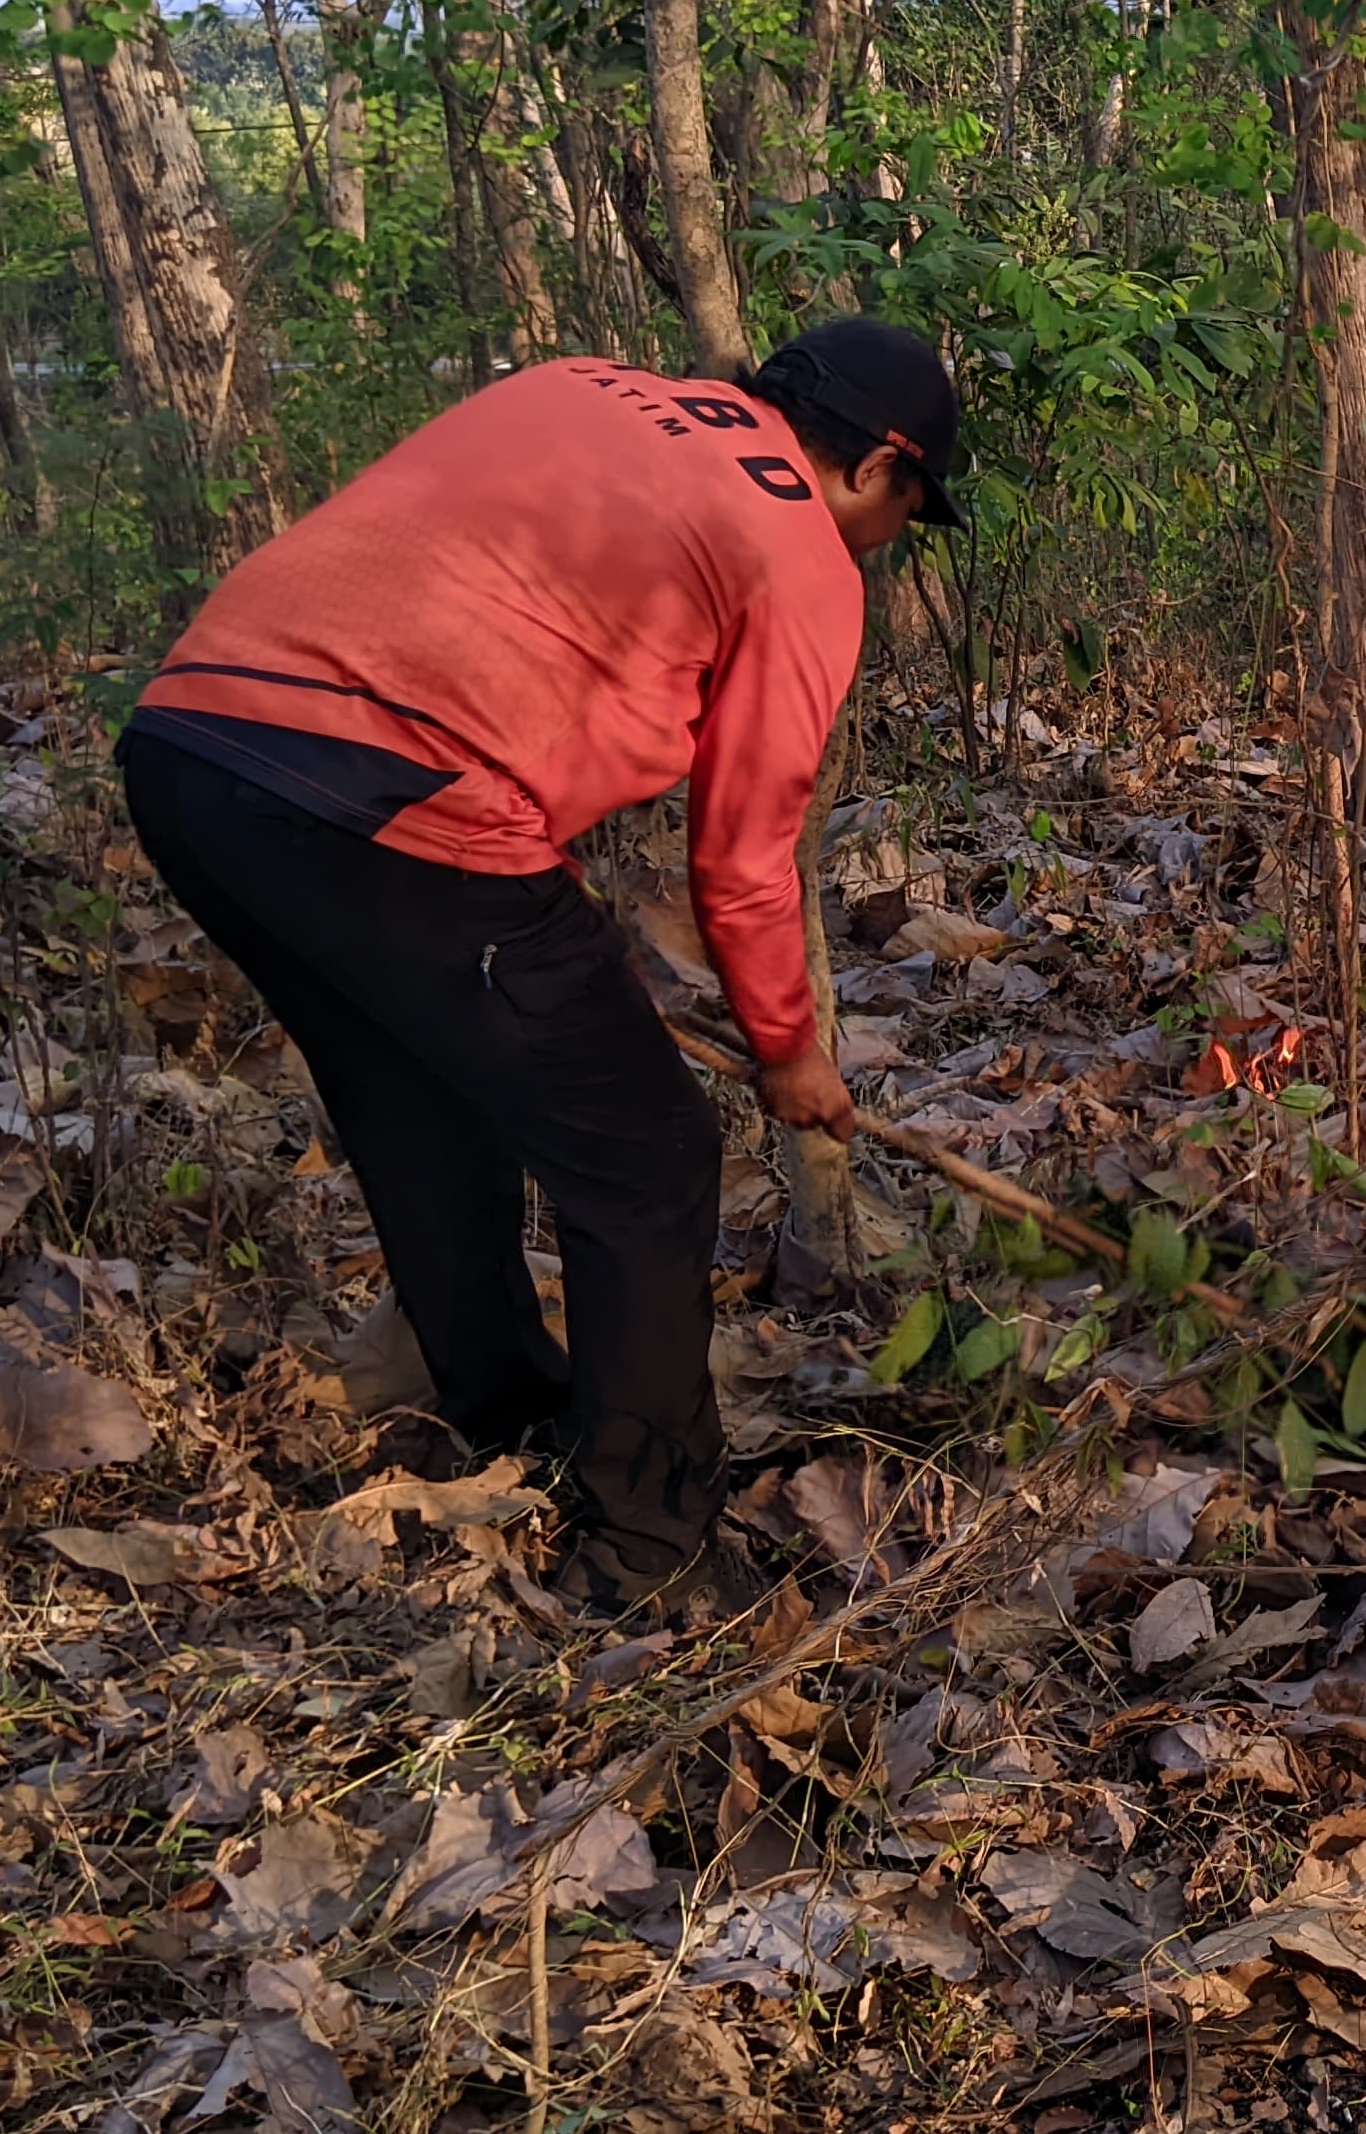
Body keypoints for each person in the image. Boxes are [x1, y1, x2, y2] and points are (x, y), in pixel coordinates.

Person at [115, 320, 966, 1612]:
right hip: (391, 795)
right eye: (909, 508)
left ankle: (514, 1420)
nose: (892, 538)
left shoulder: (588, 389)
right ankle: (651, 1544)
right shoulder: (802, 549)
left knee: (419, 1091)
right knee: (651, 1156)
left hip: (192, 754)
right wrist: (790, 1050)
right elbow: (741, 860)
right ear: (883, 465)